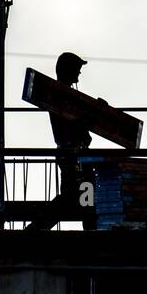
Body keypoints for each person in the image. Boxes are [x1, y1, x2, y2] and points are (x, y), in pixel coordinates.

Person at [30, 52, 97, 230]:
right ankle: (35, 230)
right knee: (76, 196)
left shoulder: (64, 96)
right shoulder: (61, 97)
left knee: (83, 195)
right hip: (73, 156)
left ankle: (36, 230)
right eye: (77, 69)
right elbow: (73, 127)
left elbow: (79, 127)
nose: (79, 74)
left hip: (75, 155)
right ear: (69, 70)